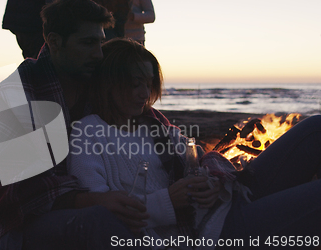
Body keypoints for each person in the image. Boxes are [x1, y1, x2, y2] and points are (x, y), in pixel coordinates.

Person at [67, 38, 321, 249]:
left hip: (226, 202)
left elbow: (196, 161)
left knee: (314, 127)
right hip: (210, 234)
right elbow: (100, 212)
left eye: (148, 84)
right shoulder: (89, 132)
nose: (145, 94)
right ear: (109, 84)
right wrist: (167, 201)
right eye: (135, 84)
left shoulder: (152, 123)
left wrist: (211, 185)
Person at [0, 1, 152, 249]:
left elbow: (153, 122)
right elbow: (24, 190)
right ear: (54, 41)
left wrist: (205, 164)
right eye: (87, 43)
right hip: (24, 226)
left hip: (96, 203)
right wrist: (94, 200)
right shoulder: (14, 94)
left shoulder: (95, 79)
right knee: (101, 220)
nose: (99, 53)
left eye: (100, 42)